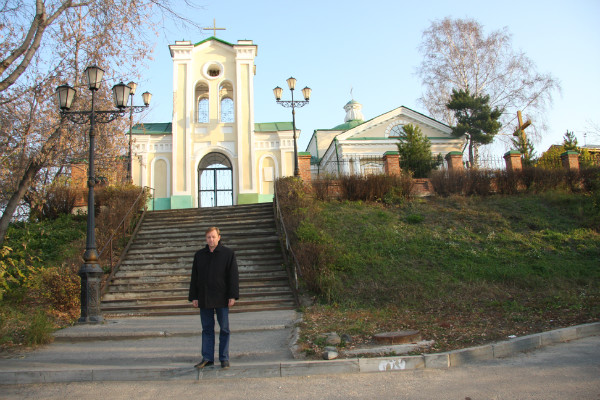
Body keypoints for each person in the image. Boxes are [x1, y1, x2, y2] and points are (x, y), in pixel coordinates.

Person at [188, 226, 239, 369]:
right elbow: (194, 277)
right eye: (208, 237)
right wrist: (194, 297)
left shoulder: (228, 254)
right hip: (204, 297)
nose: (211, 239)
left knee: (224, 329)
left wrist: (232, 295)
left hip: (222, 297)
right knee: (207, 329)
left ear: (219, 237)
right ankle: (207, 357)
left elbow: (233, 276)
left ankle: (224, 358)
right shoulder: (199, 255)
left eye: (213, 237)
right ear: (206, 239)